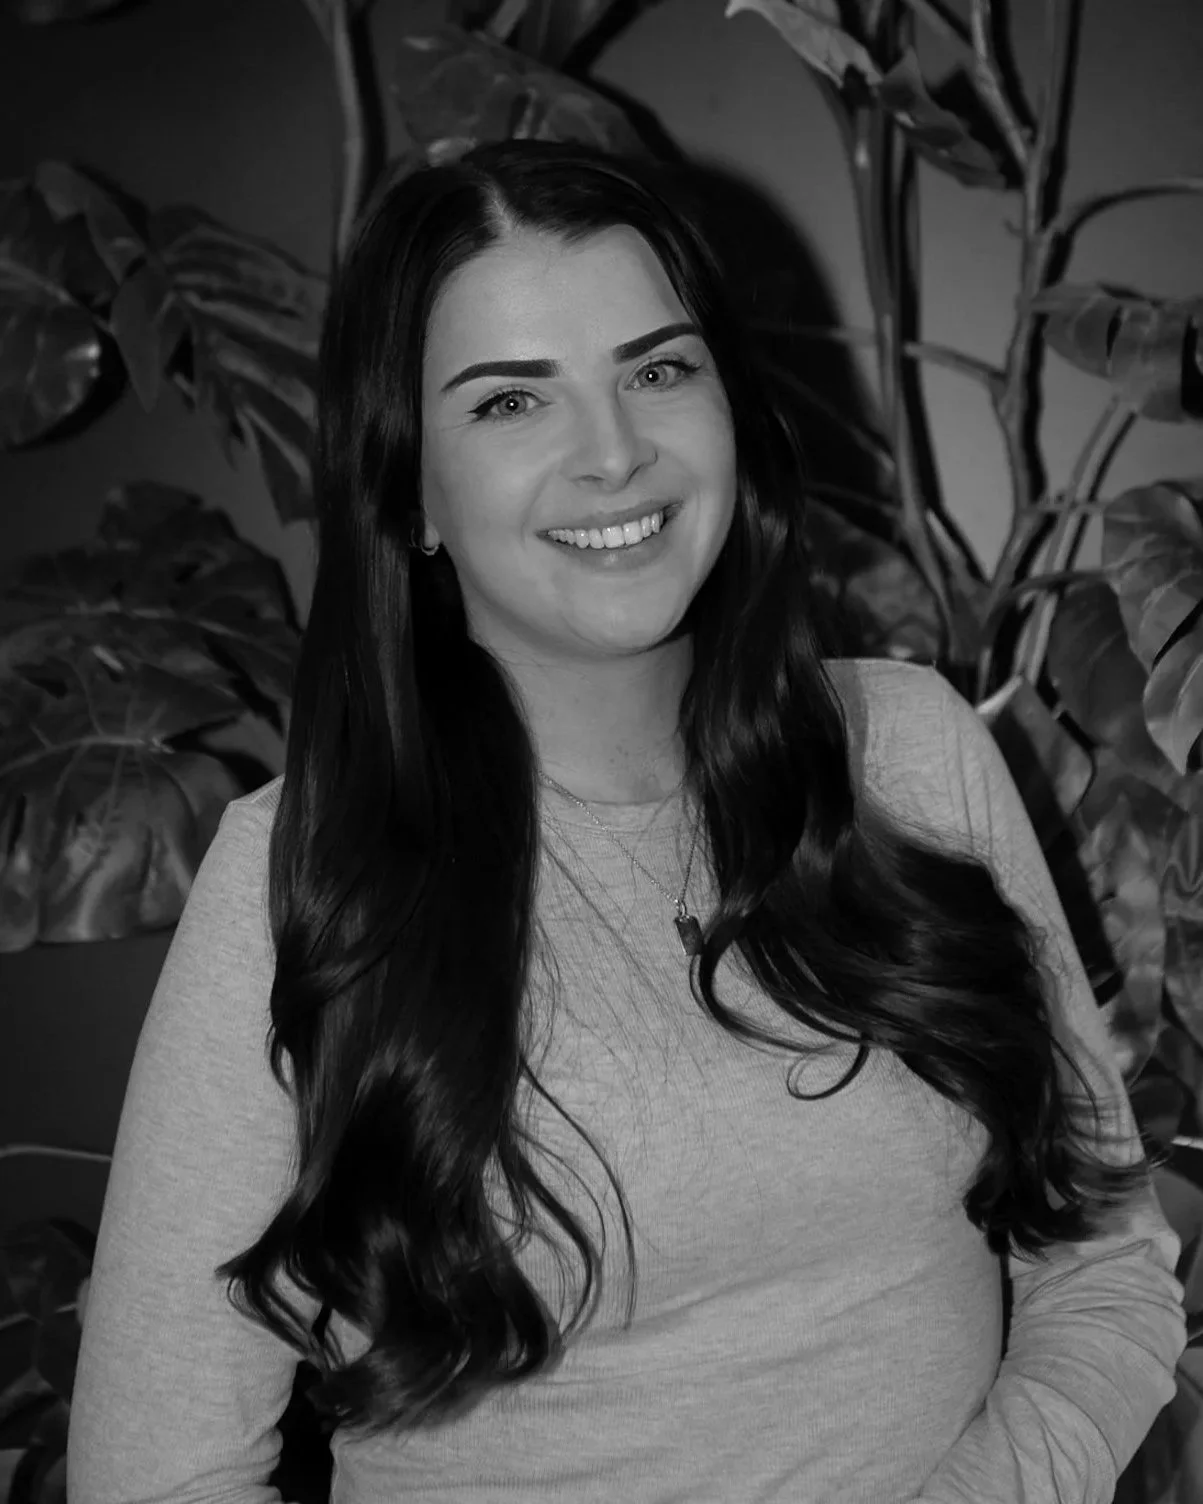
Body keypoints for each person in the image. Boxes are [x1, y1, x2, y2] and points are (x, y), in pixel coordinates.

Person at [67, 138, 1186, 1504]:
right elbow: (155, 1474)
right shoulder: (298, 875)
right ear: (409, 487)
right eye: (509, 403)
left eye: (657, 370)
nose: (613, 454)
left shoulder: (909, 751)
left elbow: (1102, 1260)